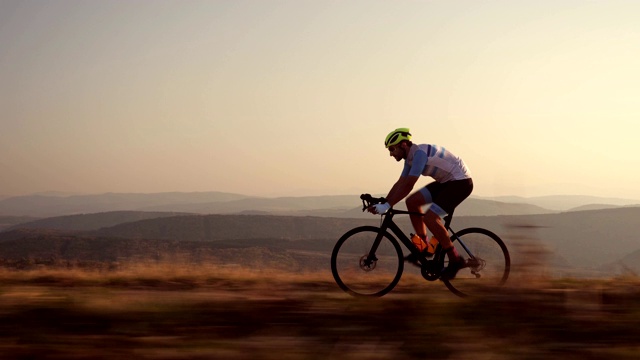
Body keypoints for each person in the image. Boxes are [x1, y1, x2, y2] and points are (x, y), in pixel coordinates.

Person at [367, 128, 473, 279]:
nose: (391, 153)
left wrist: (388, 206)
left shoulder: (419, 155)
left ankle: (456, 260)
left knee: (430, 218)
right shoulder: (410, 158)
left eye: (392, 149)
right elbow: (400, 183)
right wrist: (385, 201)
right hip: (446, 182)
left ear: (403, 145)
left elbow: (409, 184)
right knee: (412, 201)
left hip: (460, 183)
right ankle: (424, 246)